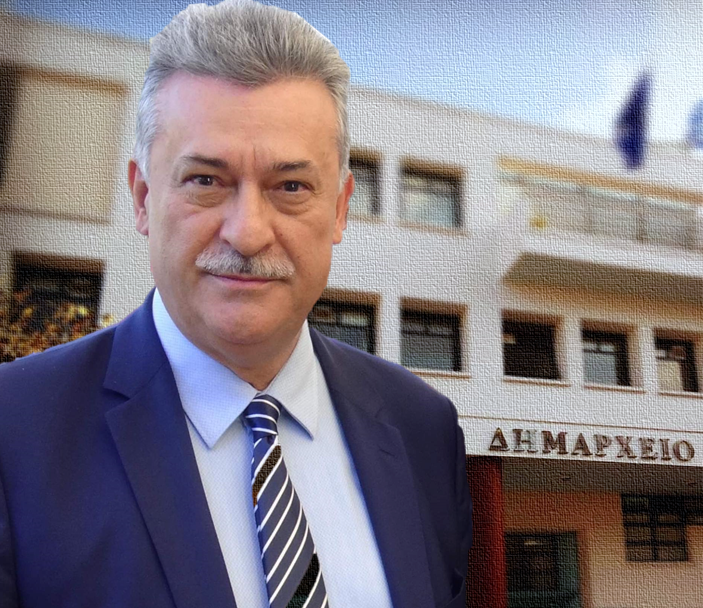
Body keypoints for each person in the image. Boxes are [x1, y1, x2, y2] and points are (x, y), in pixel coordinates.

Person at [0, 2, 473, 607]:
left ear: (339, 210)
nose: (247, 233)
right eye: (206, 180)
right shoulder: (15, 433)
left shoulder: (423, 430)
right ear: (143, 198)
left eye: (291, 186)